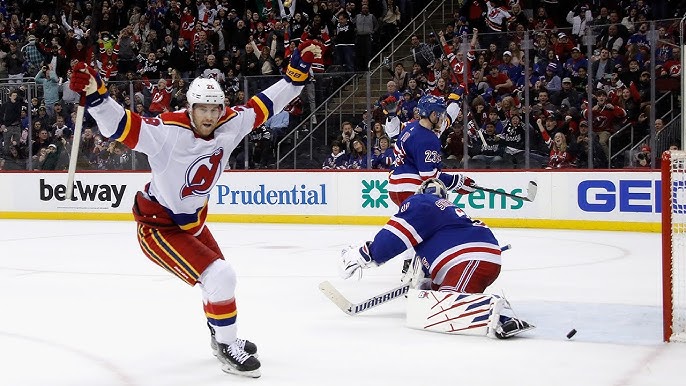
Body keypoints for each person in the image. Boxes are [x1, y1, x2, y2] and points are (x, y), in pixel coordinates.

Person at [68, 41, 323, 378]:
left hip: (192, 223)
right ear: (190, 108)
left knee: (218, 280)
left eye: (214, 109)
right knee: (220, 277)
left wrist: (297, 75)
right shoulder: (166, 133)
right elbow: (121, 126)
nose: (209, 116)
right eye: (202, 109)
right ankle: (228, 346)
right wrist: (97, 95)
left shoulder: (229, 124)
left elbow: (266, 104)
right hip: (159, 227)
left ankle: (222, 339)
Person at [339, 178, 534, 339]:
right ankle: (489, 311)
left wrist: (365, 254)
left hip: (466, 260)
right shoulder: (447, 215)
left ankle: (496, 316)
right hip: (473, 259)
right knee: (436, 299)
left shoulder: (421, 203)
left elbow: (394, 237)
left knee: (445, 307)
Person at [388, 94, 475, 207]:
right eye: (441, 114)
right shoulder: (427, 139)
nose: (443, 118)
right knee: (439, 220)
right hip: (412, 190)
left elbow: (394, 133)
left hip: (395, 187)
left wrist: (456, 100)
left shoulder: (411, 126)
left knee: (416, 222)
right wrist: (458, 182)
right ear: (433, 114)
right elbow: (429, 176)